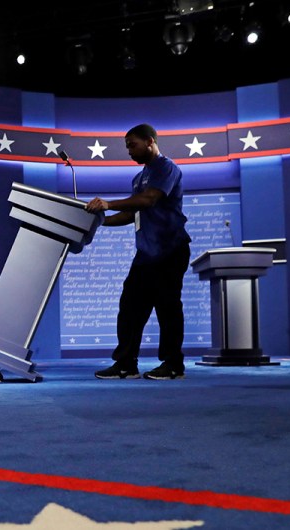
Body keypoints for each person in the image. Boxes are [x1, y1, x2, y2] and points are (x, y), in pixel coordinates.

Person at [85, 123, 191, 380]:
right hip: (146, 254)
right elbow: (133, 213)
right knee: (130, 307)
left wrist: (108, 203)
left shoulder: (166, 167)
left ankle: (173, 364)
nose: (129, 151)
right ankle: (125, 364)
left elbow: (149, 200)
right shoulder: (138, 178)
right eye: (127, 147)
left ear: (150, 141)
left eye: (132, 145)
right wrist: (100, 222)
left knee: (167, 307)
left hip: (171, 249)